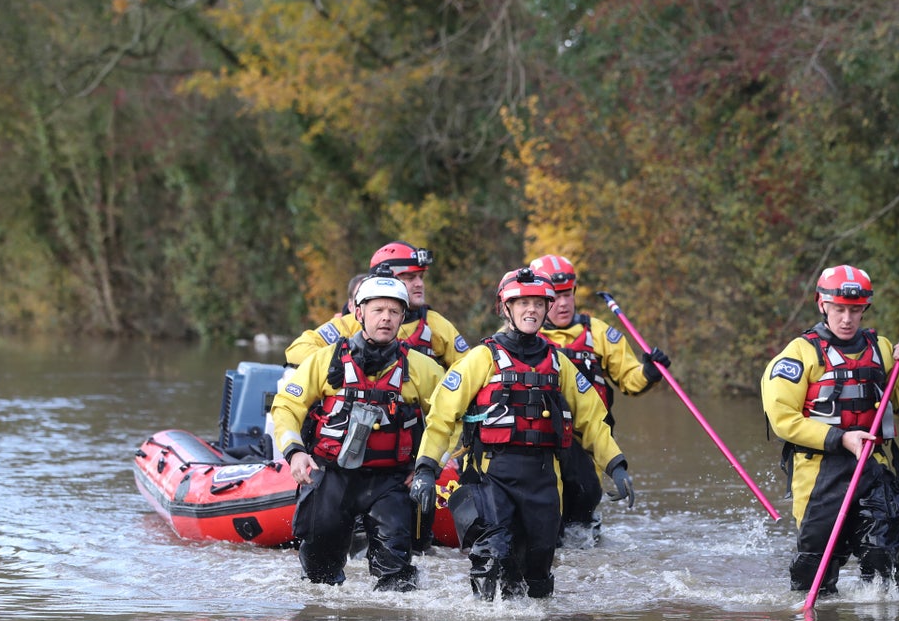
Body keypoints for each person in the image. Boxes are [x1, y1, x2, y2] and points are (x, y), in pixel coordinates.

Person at [409, 267, 636, 600]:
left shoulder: (558, 363)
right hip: (491, 474)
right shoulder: (481, 359)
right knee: (491, 552)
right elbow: (442, 416)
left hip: (544, 478)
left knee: (537, 572)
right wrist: (426, 470)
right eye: (522, 303)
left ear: (546, 310)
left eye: (538, 303)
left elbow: (592, 420)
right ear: (506, 308)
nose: (531, 309)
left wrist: (616, 465)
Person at [271, 275, 446, 591]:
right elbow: (286, 406)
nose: (386, 318)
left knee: (397, 581)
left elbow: (450, 417)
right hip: (332, 476)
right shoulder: (325, 361)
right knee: (319, 581)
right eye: (378, 310)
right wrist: (295, 451)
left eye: (394, 312)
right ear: (359, 313)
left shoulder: (422, 368)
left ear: (403, 317)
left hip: (391, 481)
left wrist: (426, 467)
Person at [761, 264, 899, 595]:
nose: (847, 319)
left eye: (854, 310)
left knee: (884, 558)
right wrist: (841, 438)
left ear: (864, 308)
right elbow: (782, 420)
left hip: (872, 467)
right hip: (820, 474)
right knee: (815, 574)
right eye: (839, 309)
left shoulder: (881, 348)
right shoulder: (798, 353)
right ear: (822, 305)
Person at [529, 253, 669, 547]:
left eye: (568, 294)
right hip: (539, 442)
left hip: (588, 441)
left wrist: (649, 371)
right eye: (555, 297)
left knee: (582, 513)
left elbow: (630, 380)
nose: (564, 303)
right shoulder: (524, 335)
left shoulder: (598, 333)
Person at [286, 241, 471, 369]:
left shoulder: (436, 325)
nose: (419, 284)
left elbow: (469, 370)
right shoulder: (351, 323)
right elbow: (297, 350)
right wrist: (343, 364)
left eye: (421, 277)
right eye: (410, 278)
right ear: (385, 280)